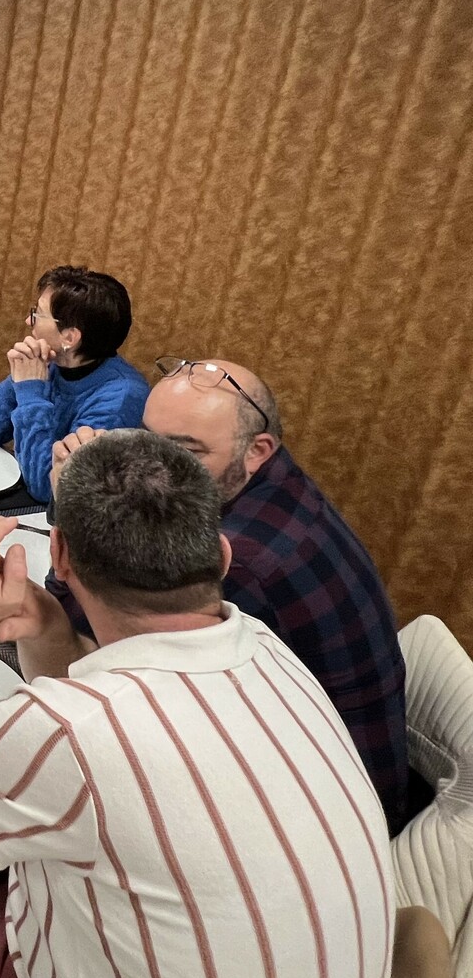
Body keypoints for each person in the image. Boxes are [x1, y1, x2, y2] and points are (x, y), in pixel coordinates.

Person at [0, 429, 394, 978]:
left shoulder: (71, 730)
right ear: (220, 556)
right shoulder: (267, 647)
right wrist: (49, 627)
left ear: (59, 555)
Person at [47, 357, 413, 833]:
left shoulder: (241, 558)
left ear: (257, 449)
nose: (153, 470)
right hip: (288, 743)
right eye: (147, 438)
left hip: (325, 813)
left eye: (184, 451)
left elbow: (91, 645)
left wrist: (74, 507)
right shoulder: (267, 484)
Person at [0, 265, 149, 503]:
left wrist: (31, 393)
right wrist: (19, 380)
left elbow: (49, 487)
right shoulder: (53, 361)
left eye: (38, 314)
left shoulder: (120, 398)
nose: (28, 320)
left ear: (69, 337)